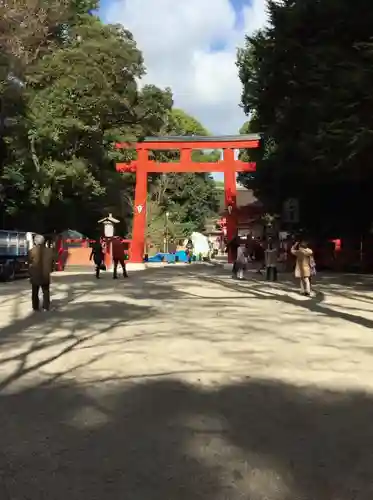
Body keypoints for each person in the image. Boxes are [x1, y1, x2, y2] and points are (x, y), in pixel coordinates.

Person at [28, 234, 54, 312]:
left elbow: (29, 261)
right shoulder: (50, 251)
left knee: (35, 292)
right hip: (45, 275)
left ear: (35, 242)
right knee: (46, 291)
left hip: (35, 275)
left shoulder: (32, 251)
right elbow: (53, 262)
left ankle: (35, 307)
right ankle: (46, 307)